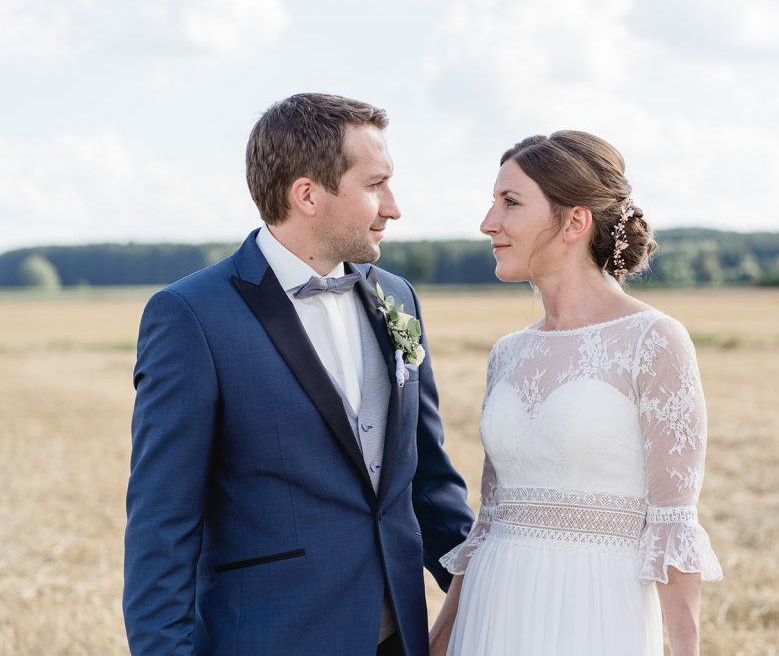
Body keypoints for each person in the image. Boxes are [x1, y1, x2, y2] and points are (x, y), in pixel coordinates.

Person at [123, 93, 475, 656]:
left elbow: (427, 480)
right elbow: (161, 523)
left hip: (399, 638)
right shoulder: (192, 316)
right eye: (375, 184)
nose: (393, 208)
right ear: (307, 194)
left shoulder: (397, 297)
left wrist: (487, 595)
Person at [428, 131, 723, 656]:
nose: (488, 222)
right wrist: (441, 637)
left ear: (574, 221)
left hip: (595, 612)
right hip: (493, 609)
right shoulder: (507, 353)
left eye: (510, 202)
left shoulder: (653, 340)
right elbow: (489, 518)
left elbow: (673, 527)